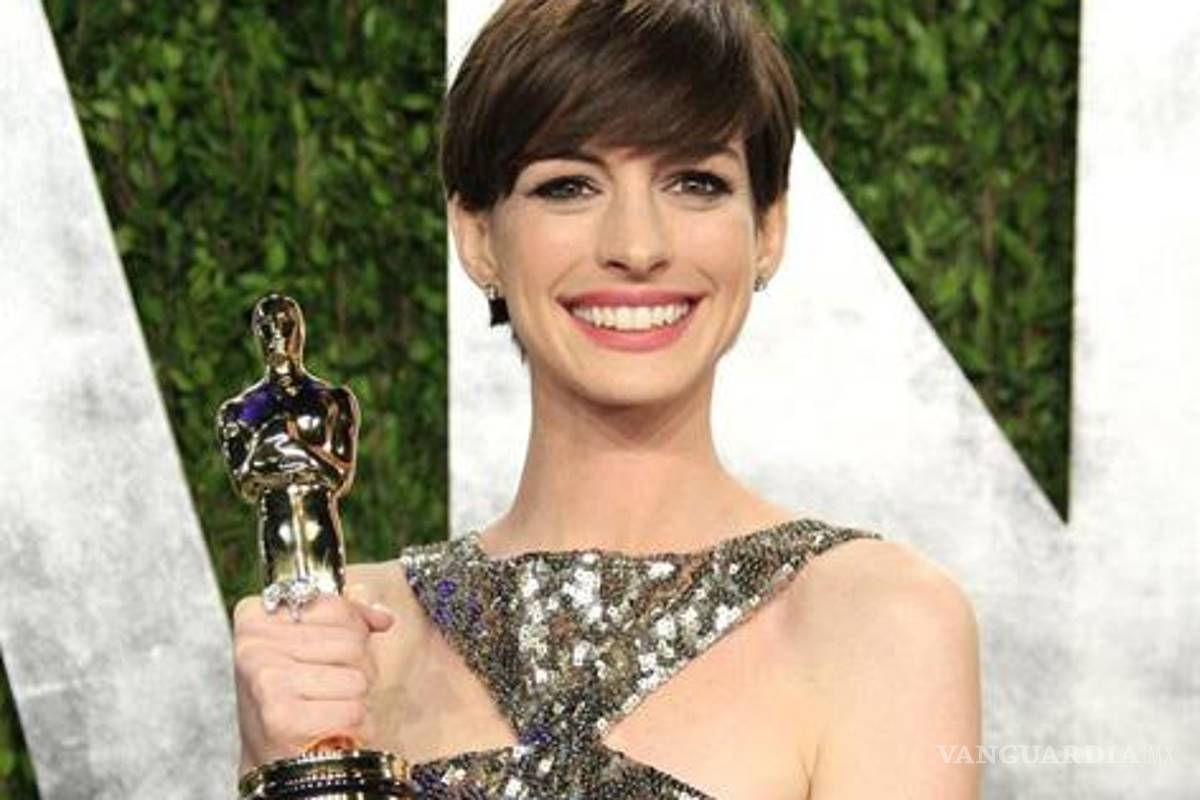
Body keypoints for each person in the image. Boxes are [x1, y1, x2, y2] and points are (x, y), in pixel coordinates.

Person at [232, 0, 981, 797]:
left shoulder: (880, 622)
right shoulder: (353, 640)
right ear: (478, 236)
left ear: (767, 228)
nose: (636, 246)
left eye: (694, 182)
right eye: (568, 186)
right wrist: (296, 762)